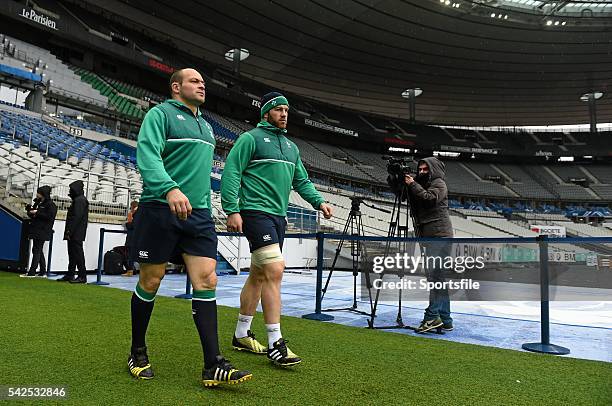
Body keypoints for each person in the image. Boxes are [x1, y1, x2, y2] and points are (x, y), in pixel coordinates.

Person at [128, 68, 250, 386]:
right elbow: (148, 156)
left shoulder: (207, 127)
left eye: (203, 82)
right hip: (159, 208)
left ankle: (213, 364)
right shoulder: (160, 115)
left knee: (207, 279)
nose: (202, 85)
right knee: (151, 280)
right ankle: (137, 352)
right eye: (195, 81)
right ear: (176, 87)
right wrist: (169, 188)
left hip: (198, 215)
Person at [221, 92, 333, 366]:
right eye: (279, 109)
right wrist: (232, 209)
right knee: (274, 269)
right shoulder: (251, 139)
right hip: (255, 212)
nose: (284, 114)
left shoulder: (292, 148)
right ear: (266, 112)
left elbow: (302, 181)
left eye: (286, 110)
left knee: (259, 275)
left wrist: (319, 202)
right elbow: (232, 171)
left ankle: (241, 334)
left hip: (278, 217)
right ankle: (276, 343)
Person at [404, 157, 454, 333]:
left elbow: (430, 198)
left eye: (426, 169)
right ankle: (445, 319)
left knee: (435, 278)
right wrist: (398, 180)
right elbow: (406, 195)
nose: (422, 172)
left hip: (439, 236)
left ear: (434, 170)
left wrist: (412, 184)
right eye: (420, 169)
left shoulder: (439, 183)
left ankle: (432, 317)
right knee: (438, 278)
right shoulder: (421, 184)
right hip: (433, 235)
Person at [21, 186, 57, 278]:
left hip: (43, 230)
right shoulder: (39, 203)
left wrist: (36, 212)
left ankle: (32, 272)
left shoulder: (50, 205)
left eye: (39, 193)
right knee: (38, 250)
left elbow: (49, 216)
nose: (37, 194)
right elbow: (34, 215)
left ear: (43, 194)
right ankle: (42, 271)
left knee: (36, 250)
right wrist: (30, 210)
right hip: (37, 229)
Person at [57, 180, 89, 284]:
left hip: (76, 232)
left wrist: (69, 231)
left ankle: (81, 276)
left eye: (72, 189)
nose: (70, 191)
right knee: (73, 254)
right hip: (75, 232)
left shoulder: (79, 200)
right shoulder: (79, 199)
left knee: (77, 254)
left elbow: (76, 217)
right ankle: (71, 274)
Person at [122, 200, 138, 277]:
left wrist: (128, 221)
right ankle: (130, 270)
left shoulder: (134, 214)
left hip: (132, 237)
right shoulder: (140, 214)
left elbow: (131, 226)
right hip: (137, 237)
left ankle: (130, 271)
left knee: (130, 255)